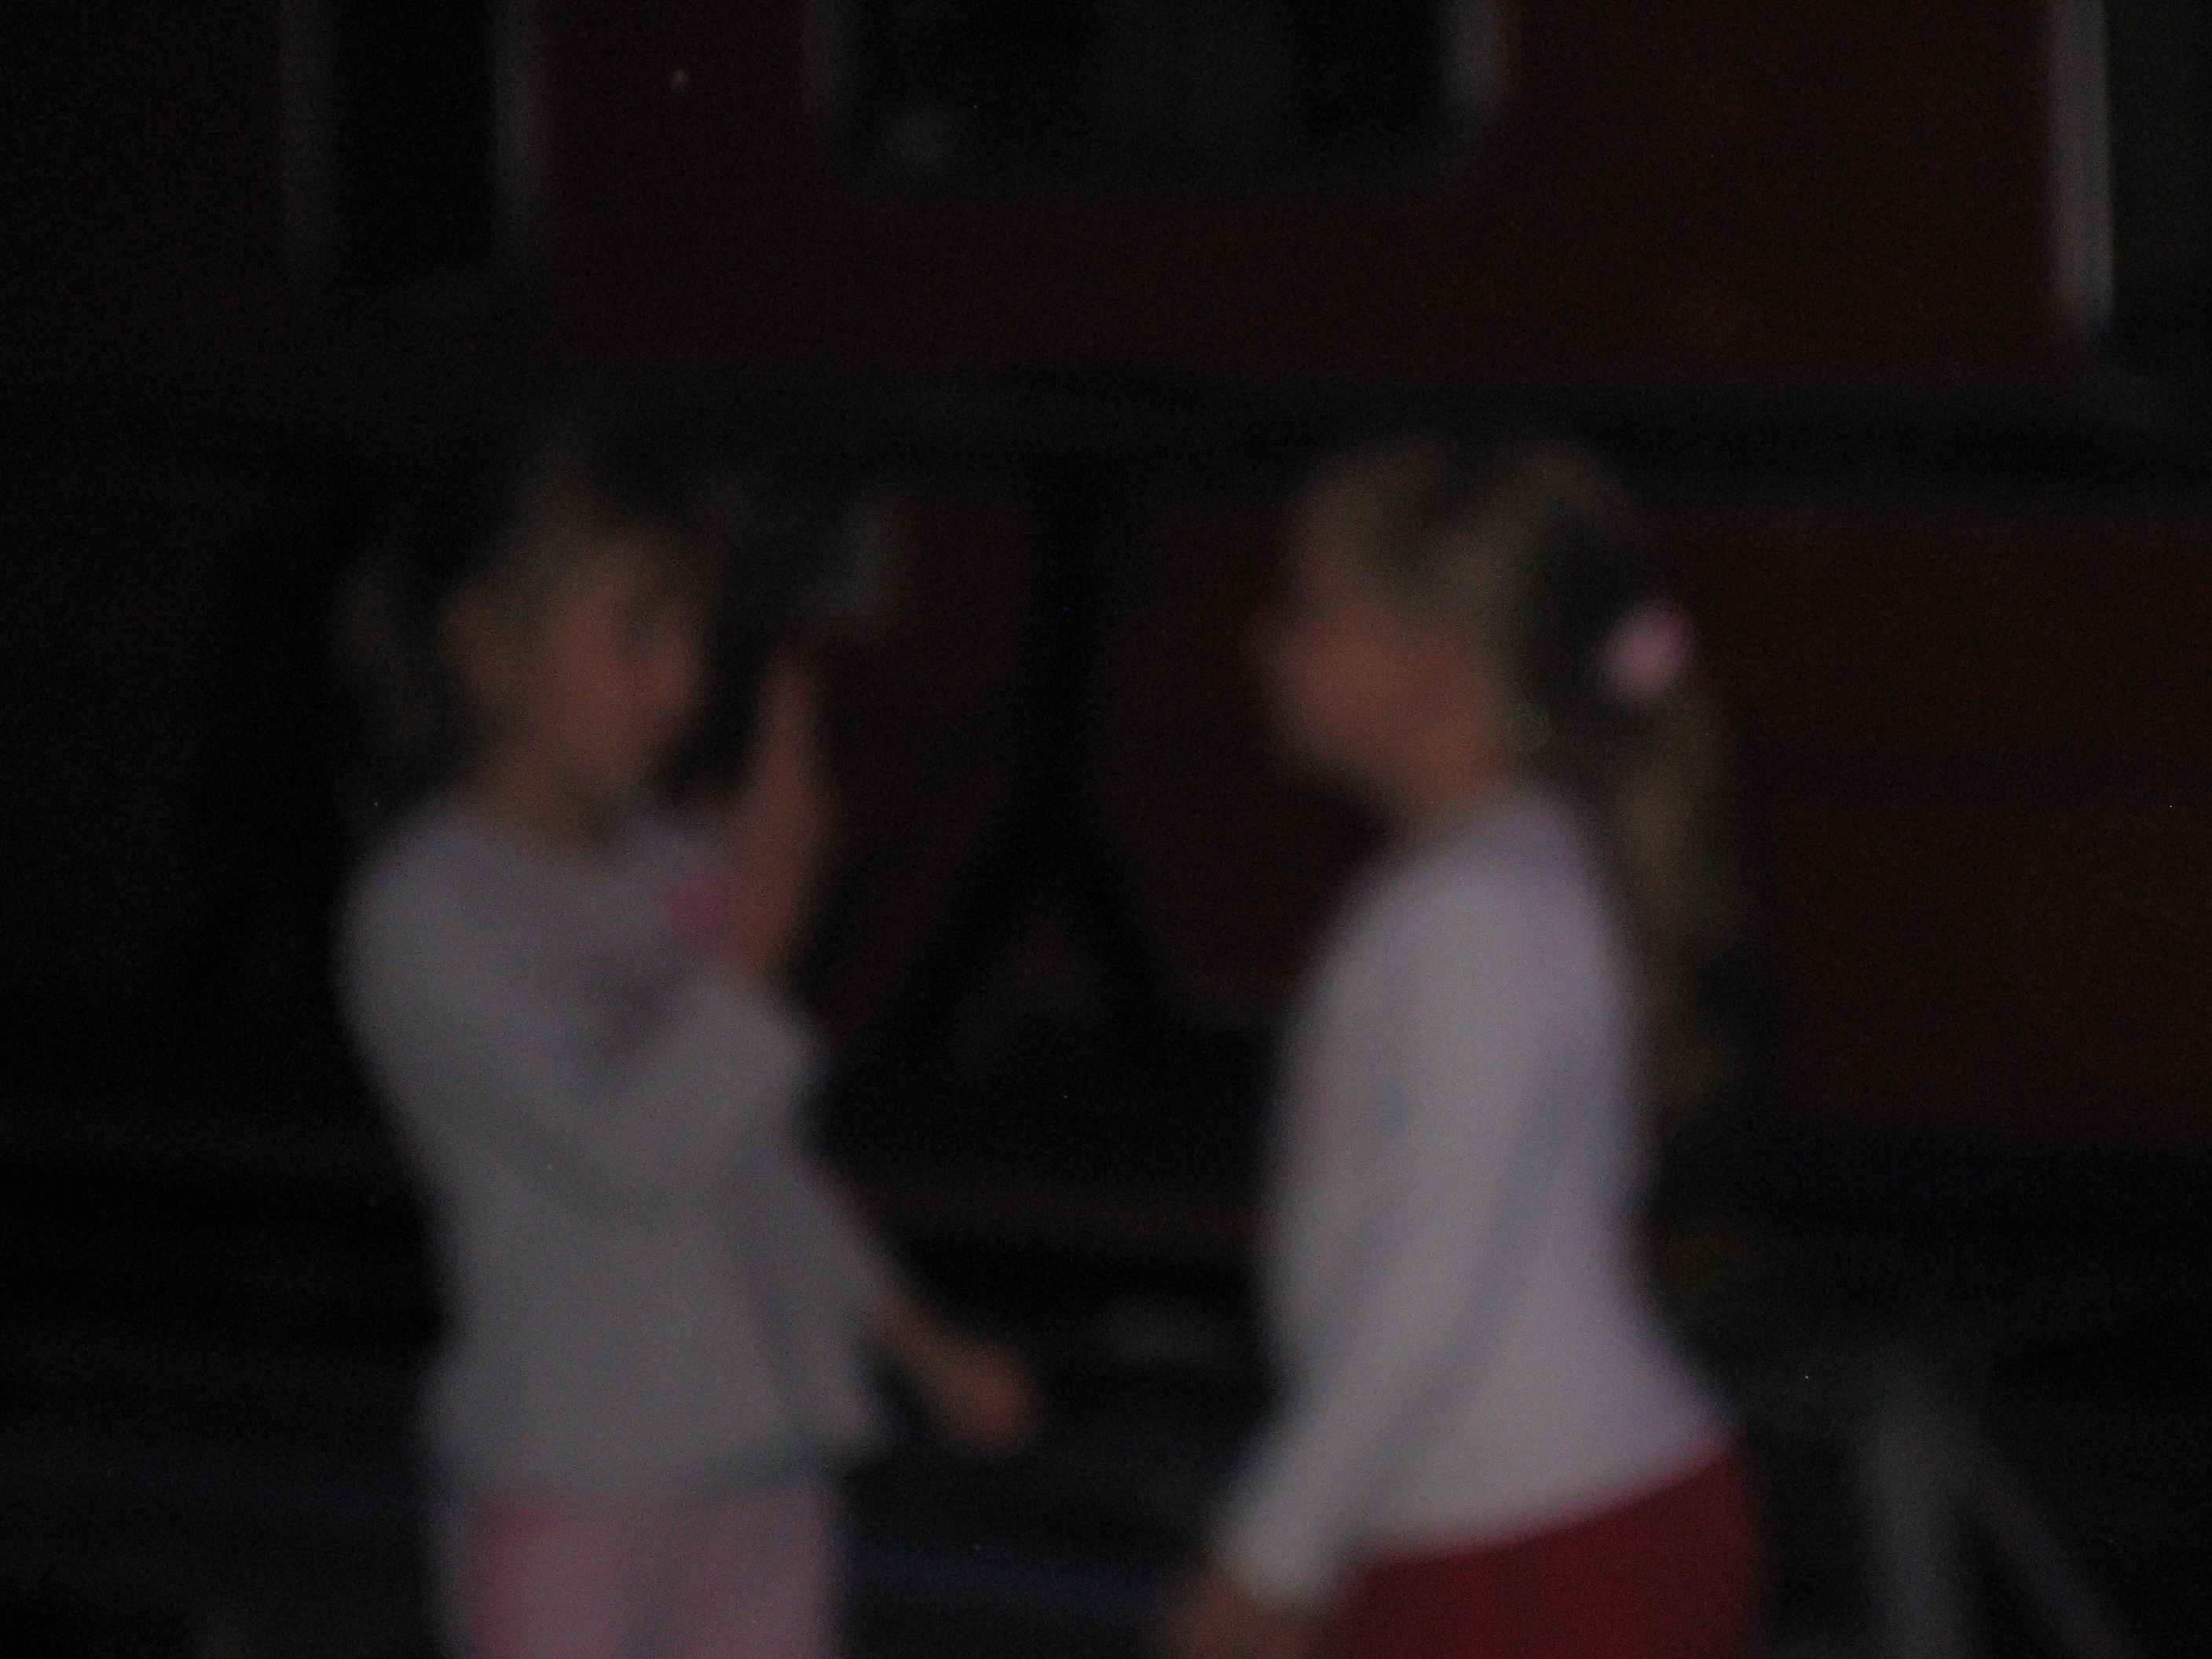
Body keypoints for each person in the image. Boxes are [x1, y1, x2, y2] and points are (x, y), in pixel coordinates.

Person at [335, 421, 1033, 1659]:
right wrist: (752, 952)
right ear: (488, 649)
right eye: (636, 636)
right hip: (571, 1490)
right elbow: (623, 1161)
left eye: (694, 639)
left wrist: (915, 1341)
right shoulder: (428, 910)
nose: (682, 687)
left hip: (757, 1471)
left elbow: (754, 1162)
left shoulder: (672, 871)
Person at [1164, 434, 1757, 1659]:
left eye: (1311, 616)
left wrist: (1269, 1554)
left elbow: (1431, 1270)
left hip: (1541, 1542)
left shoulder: (1478, 911)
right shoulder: (1481, 886)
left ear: (1431, 669)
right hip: (1489, 1522)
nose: (1267, 644)